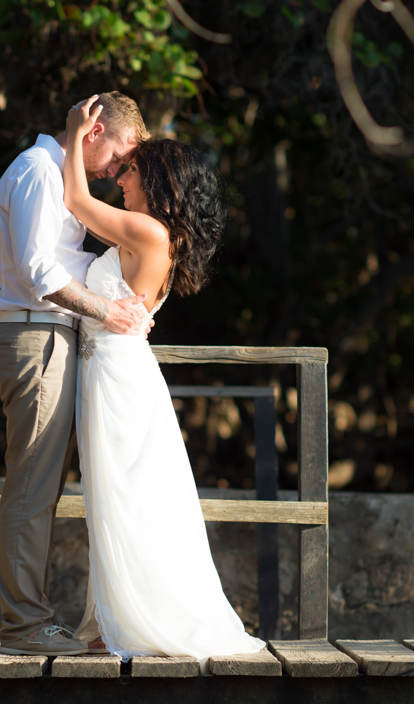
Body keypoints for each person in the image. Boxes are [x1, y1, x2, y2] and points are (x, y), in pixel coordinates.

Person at [62, 97, 266, 671]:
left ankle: (127, 618)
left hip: (116, 375)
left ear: (156, 179)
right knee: (118, 493)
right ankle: (109, 617)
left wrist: (77, 133)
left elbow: (76, 201)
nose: (121, 182)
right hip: (119, 368)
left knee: (121, 495)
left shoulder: (147, 230)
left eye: (129, 173)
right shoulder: (154, 233)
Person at [0, 92, 152, 657]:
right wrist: (108, 311)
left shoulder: (56, 176)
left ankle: (30, 620)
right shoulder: (37, 172)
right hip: (36, 335)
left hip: (49, 336)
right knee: (32, 486)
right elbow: (39, 271)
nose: (117, 168)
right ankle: (24, 627)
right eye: (121, 152)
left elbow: (65, 262)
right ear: (94, 128)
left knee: (42, 486)